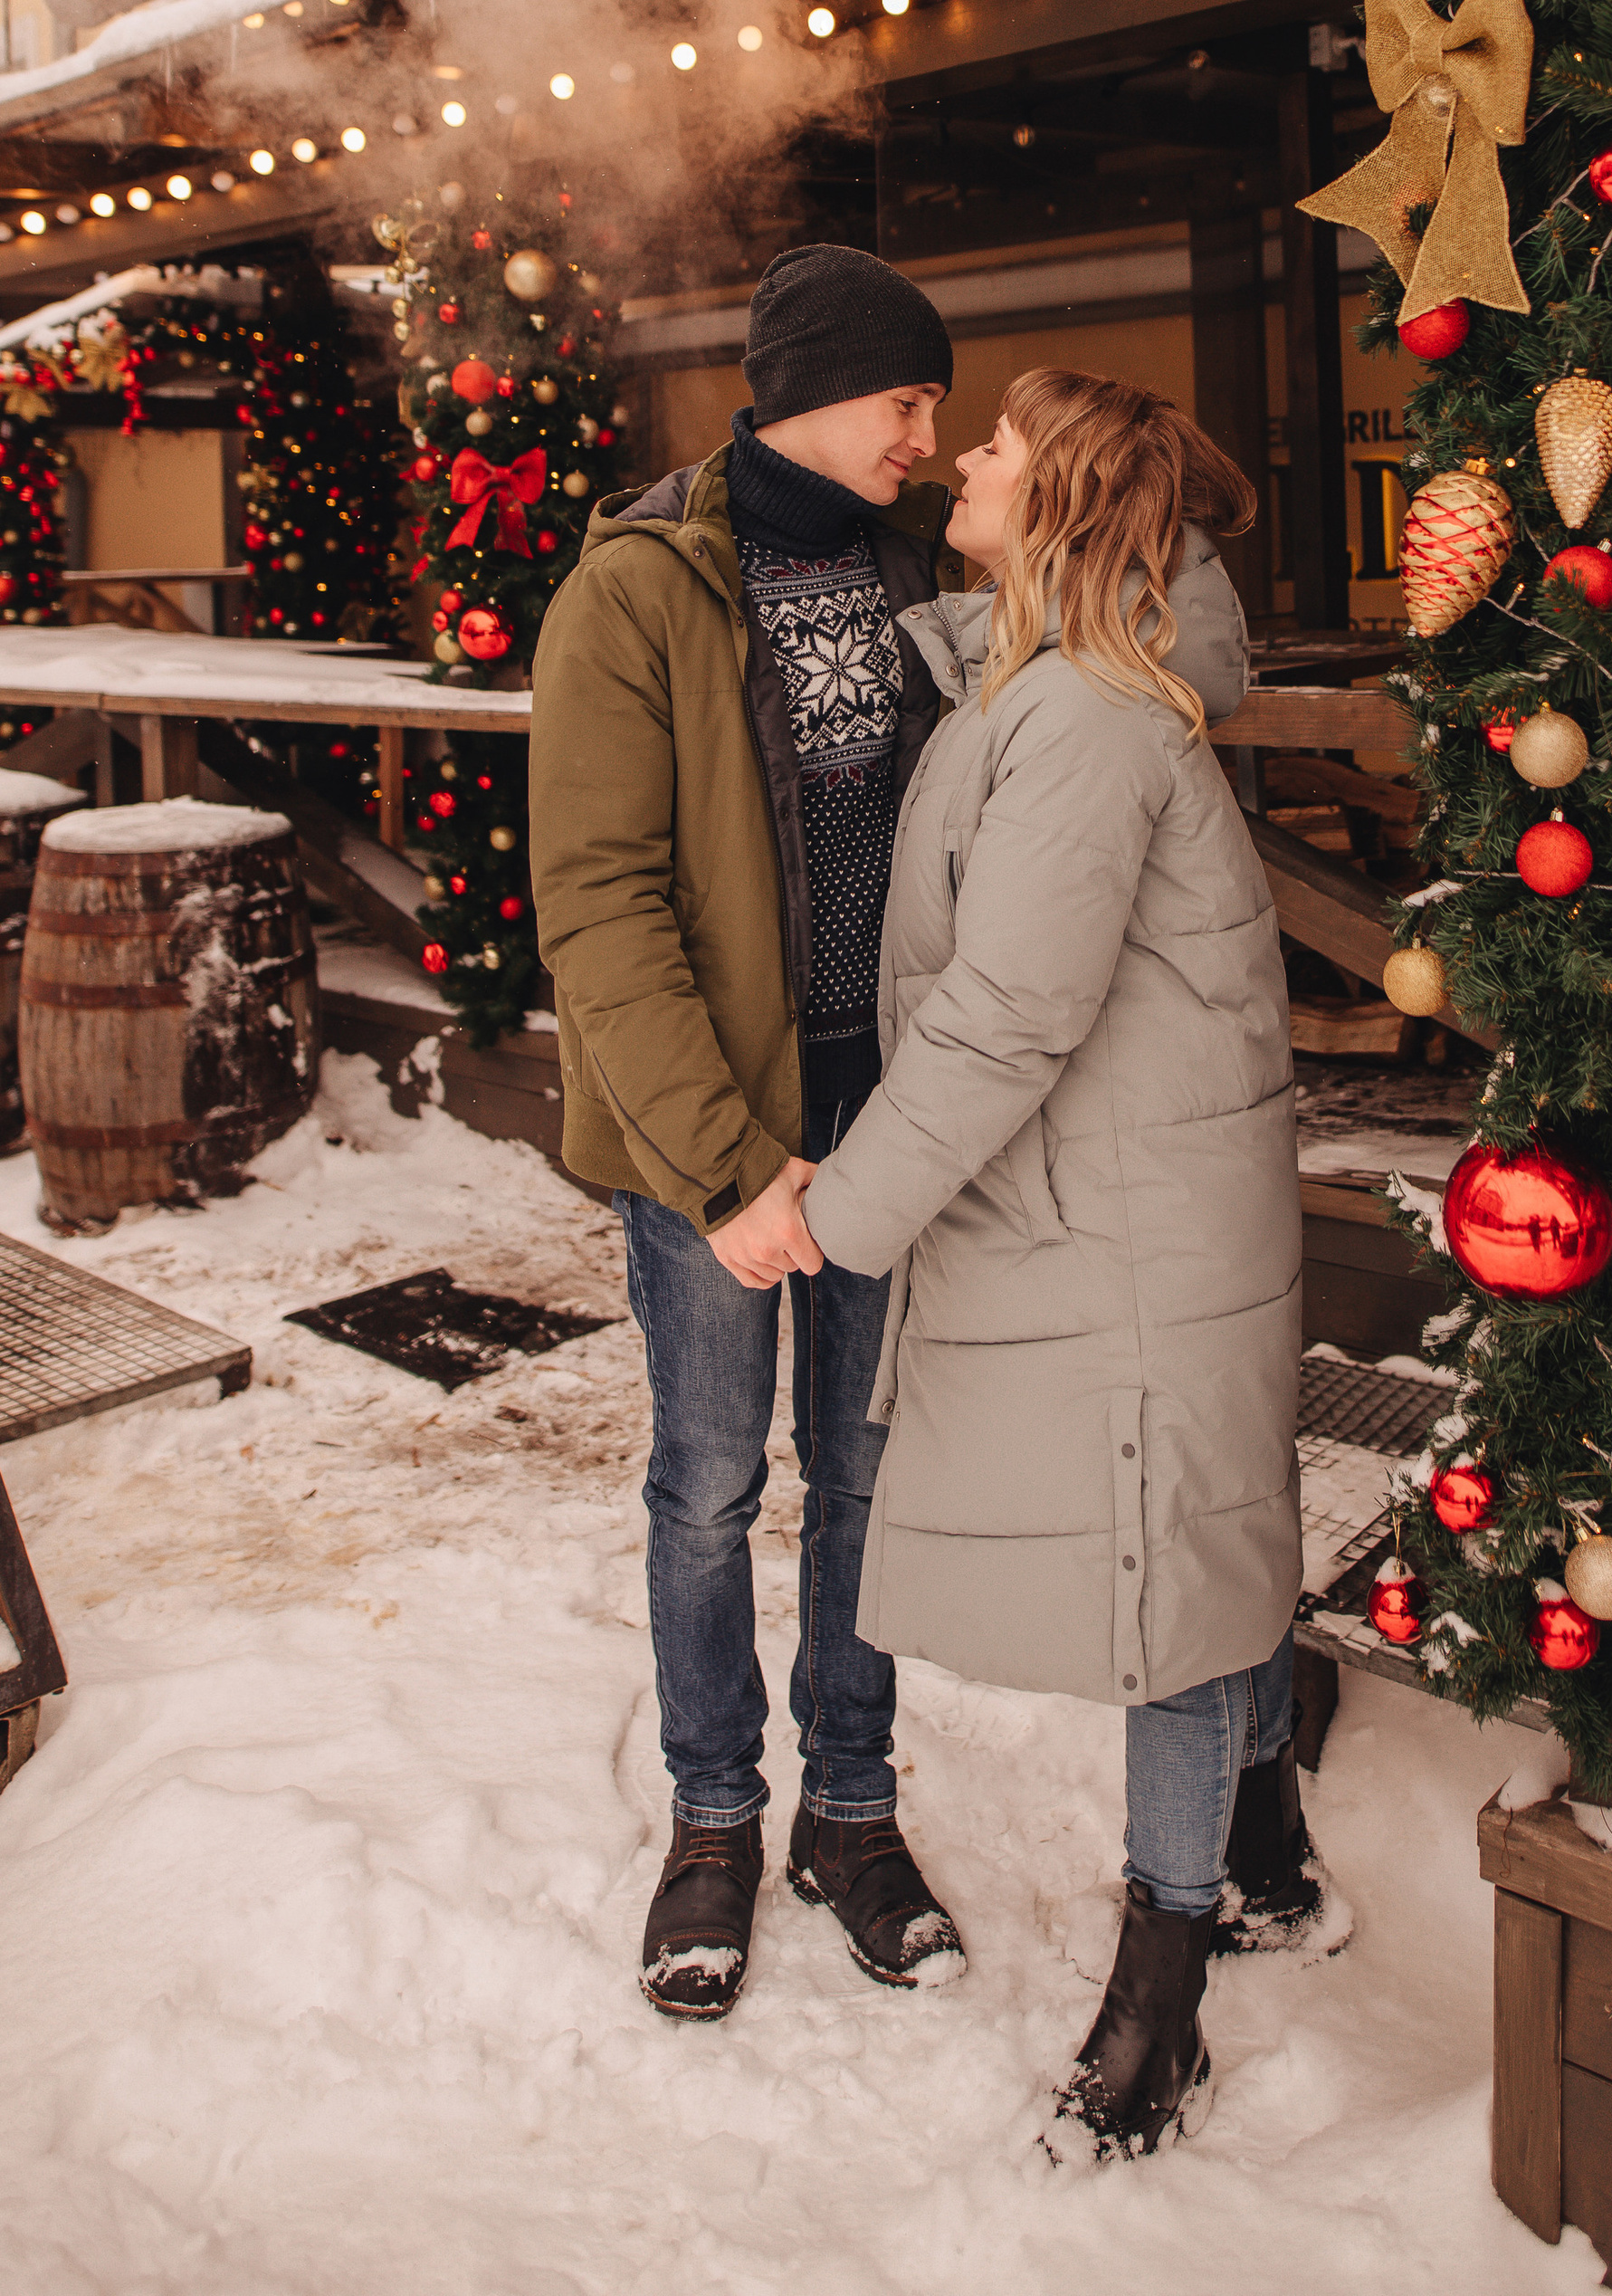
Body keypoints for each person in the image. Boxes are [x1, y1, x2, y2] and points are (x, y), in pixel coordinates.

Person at [796, 368, 1342, 2161]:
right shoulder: (1036, 688)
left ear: (1065, 500)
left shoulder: (1086, 719)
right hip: (1124, 1197)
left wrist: (841, 1213)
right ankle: (1263, 1852)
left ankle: (1158, 1998)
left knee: (1158, 1577)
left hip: (1128, 1219)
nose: (964, 456)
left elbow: (1008, 1011)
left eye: (1000, 445)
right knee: (1189, 1536)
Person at [529, 244, 969, 2021]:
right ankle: (713, 1816)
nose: (929, 437)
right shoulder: (635, 593)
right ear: (814, 391)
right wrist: (724, 1166)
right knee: (710, 1487)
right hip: (705, 1140)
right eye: (907, 400)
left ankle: (850, 1814)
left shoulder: (919, 566)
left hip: (884, 1121)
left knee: (863, 1481)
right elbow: (598, 900)